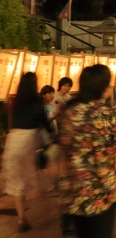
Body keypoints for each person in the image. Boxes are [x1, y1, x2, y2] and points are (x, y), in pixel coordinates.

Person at [58, 65, 116, 238]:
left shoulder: (69, 114)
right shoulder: (114, 117)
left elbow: (64, 155)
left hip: (75, 192)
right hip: (103, 194)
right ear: (105, 89)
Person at [3, 72, 54, 233]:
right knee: (40, 178)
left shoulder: (16, 101)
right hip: (29, 141)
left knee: (18, 183)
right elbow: (45, 124)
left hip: (13, 141)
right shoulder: (38, 101)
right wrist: (52, 138)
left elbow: (9, 121)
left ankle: (21, 218)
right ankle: (48, 211)